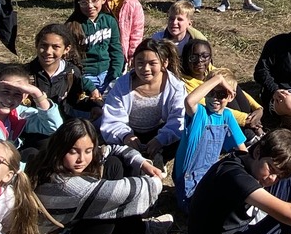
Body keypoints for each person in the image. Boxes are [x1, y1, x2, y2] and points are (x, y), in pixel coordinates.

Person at [27, 119, 168, 234]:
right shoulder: (67, 186)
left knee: (113, 164)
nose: (82, 159)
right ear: (60, 148)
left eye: (88, 150)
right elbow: (131, 192)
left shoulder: (48, 160)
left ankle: (136, 230)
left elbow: (111, 149)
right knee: (109, 205)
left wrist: (142, 162)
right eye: (73, 152)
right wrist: (157, 180)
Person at [100, 38, 185, 172]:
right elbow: (112, 118)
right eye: (140, 63)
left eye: (152, 63)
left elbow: (178, 119)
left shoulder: (175, 87)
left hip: (158, 132)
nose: (145, 69)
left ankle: (159, 157)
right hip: (129, 132)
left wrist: (160, 139)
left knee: (184, 134)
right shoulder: (122, 85)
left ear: (164, 63)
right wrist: (126, 136)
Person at [173, 70, 248, 211]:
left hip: (209, 178)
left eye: (221, 94)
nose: (215, 98)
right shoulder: (199, 113)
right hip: (188, 184)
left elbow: (242, 151)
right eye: (211, 92)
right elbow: (189, 101)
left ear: (231, 97)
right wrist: (218, 79)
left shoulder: (226, 116)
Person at [180, 40, 264, 139]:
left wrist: (258, 109)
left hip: (239, 116)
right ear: (186, 59)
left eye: (205, 56)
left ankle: (255, 132)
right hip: (212, 121)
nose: (200, 61)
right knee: (223, 93)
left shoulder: (213, 71)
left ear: (210, 57)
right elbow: (210, 106)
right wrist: (246, 119)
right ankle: (250, 135)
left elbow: (237, 91)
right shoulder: (183, 83)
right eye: (193, 57)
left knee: (230, 83)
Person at [24, 23, 103, 121]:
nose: (48, 51)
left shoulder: (71, 73)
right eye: (43, 45)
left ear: (66, 49)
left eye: (55, 47)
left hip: (63, 127)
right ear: (36, 44)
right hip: (31, 128)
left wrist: (94, 106)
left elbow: (75, 100)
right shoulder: (24, 74)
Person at [67, 0, 123, 94]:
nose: (90, 6)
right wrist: (87, 85)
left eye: (94, 0)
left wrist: (115, 75)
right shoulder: (72, 27)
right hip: (86, 76)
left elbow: (116, 51)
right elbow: (70, 62)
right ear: (78, 3)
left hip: (108, 73)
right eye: (84, 2)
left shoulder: (110, 21)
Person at [106, 0, 145, 67]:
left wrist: (133, 53)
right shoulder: (103, 1)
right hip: (105, 43)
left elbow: (137, 32)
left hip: (122, 47)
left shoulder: (134, 5)